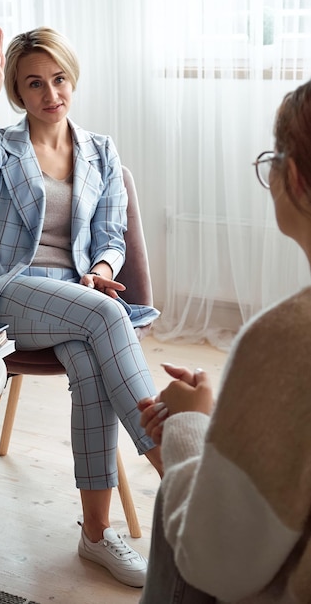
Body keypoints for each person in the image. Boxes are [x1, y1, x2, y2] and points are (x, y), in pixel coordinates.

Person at [0, 26, 162, 588]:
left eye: (59, 78)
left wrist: (102, 270)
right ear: (17, 91)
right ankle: (177, 468)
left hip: (72, 295)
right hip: (2, 290)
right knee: (107, 317)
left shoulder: (101, 151)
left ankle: (95, 536)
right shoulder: (0, 144)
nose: (50, 93)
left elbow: (111, 235)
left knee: (91, 363)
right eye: (33, 84)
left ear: (73, 77)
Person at [138, 79, 311, 604]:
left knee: (177, 501)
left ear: (295, 176)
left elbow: (213, 563)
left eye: (274, 157)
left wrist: (189, 431)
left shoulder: (284, 343)